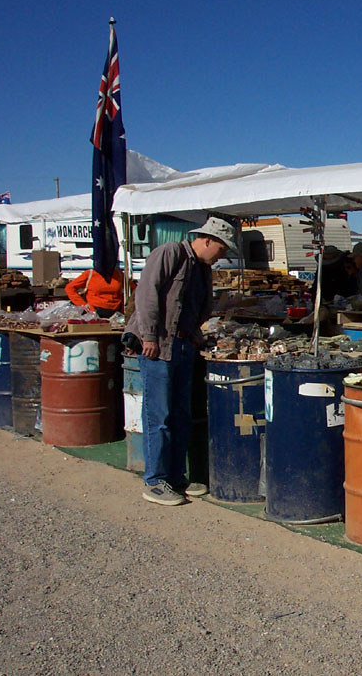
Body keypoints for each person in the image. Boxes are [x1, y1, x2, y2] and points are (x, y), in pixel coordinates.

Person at [123, 215, 236, 506]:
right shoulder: (170, 252)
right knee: (159, 415)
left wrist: (197, 332)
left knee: (180, 415)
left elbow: (196, 306)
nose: (222, 255)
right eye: (221, 249)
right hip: (160, 346)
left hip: (184, 345)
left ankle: (175, 476)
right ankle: (156, 479)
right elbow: (147, 295)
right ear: (207, 240)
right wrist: (148, 336)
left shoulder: (202, 268)